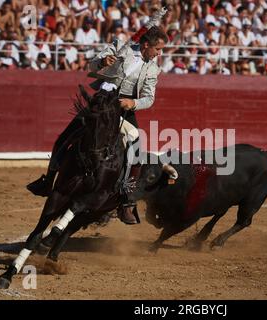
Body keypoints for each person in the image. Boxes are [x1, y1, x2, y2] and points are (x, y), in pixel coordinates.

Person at [27, 26, 168, 226]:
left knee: (136, 144)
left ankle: (127, 199)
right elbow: (92, 66)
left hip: (124, 109)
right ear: (146, 44)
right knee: (65, 137)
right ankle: (47, 181)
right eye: (158, 49)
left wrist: (133, 103)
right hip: (101, 103)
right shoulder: (121, 47)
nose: (159, 53)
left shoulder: (153, 69)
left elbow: (149, 98)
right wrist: (102, 62)